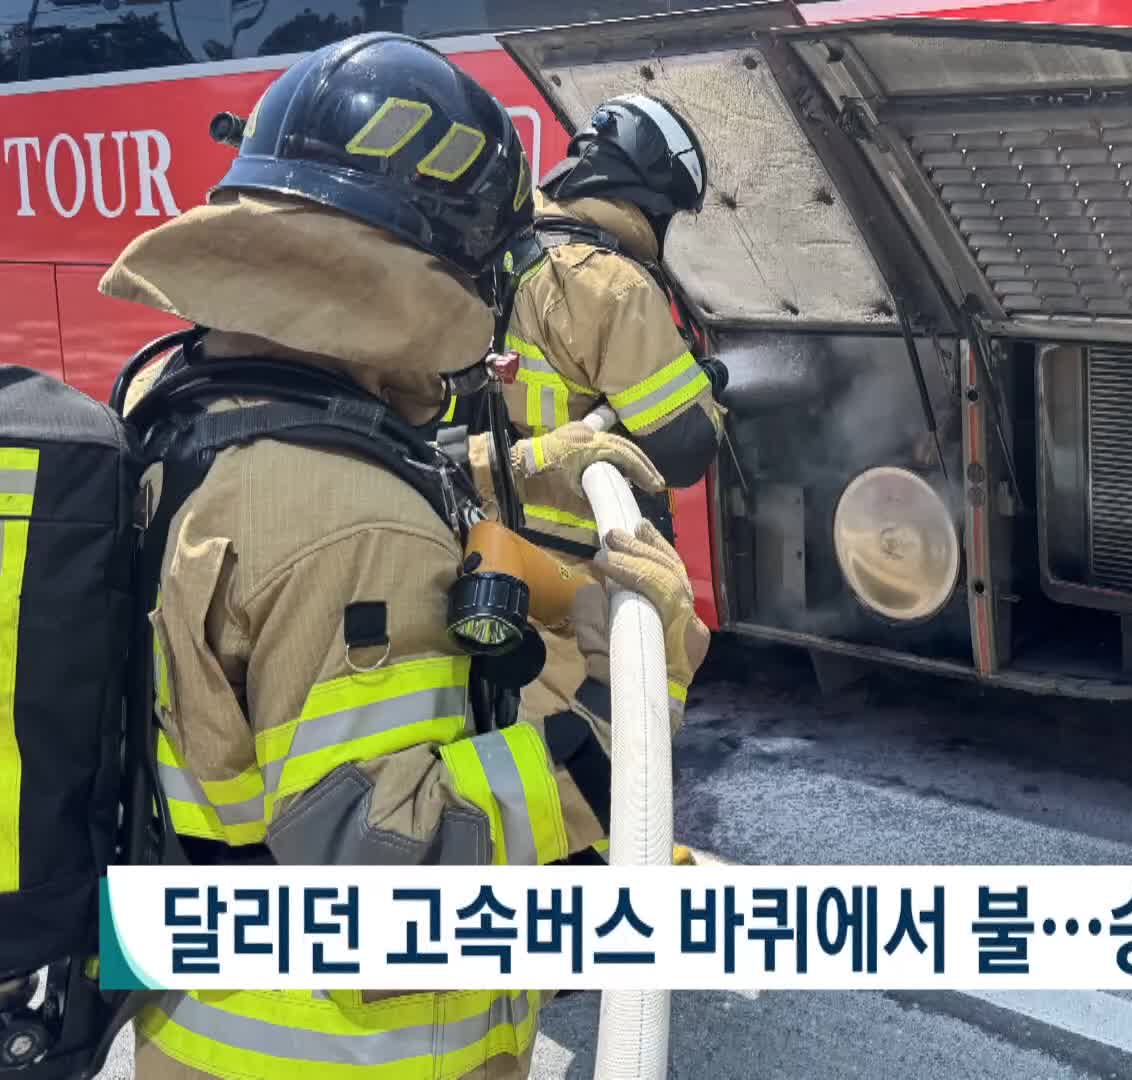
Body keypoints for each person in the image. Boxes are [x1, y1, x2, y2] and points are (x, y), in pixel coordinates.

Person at [99, 32, 706, 1077]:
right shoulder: (356, 529)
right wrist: (624, 703)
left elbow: (307, 478)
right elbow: (395, 879)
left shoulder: (180, 402)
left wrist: (517, 460)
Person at [446, 90, 724, 743]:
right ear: (651, 200)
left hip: (483, 554)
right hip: (584, 579)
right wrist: (702, 387)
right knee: (603, 750)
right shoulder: (611, 282)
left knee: (504, 735)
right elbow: (685, 446)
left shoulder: (498, 257)